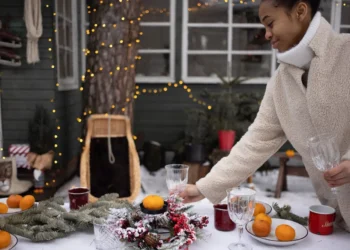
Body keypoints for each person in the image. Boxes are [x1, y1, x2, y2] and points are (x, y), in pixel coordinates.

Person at [180, 0, 350, 231]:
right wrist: (203, 188)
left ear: (300, 11)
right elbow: (255, 142)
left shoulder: (347, 53)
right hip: (337, 219)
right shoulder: (281, 83)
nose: (267, 34)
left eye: (270, 23)